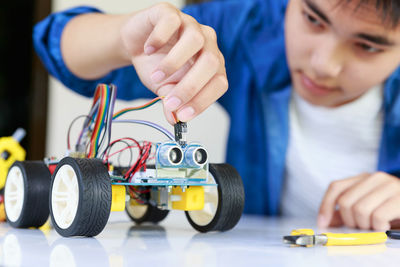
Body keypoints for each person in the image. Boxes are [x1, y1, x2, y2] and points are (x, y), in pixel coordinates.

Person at [33, 0, 400, 231]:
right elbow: (57, 41)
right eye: (313, 19)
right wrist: (121, 39)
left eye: (367, 46)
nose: (324, 65)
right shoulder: (250, 25)